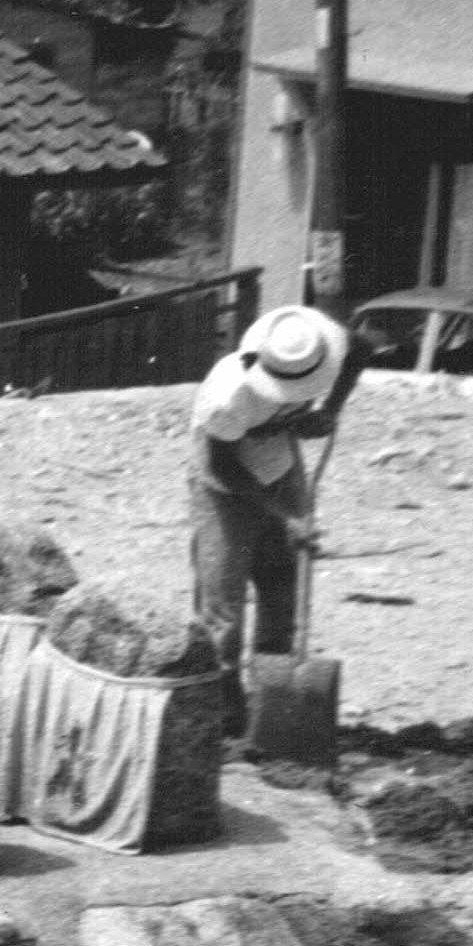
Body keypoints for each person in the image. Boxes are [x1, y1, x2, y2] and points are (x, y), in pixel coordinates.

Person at [190, 303, 356, 723]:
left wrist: (329, 410)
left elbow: (361, 351)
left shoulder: (317, 347)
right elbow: (221, 467)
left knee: (282, 582)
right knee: (223, 604)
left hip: (280, 466)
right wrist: (285, 515)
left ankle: (272, 701)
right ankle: (223, 712)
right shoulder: (226, 399)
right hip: (223, 487)